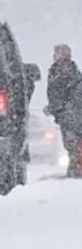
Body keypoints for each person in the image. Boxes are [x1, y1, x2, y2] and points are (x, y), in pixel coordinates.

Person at [45, 43, 82, 177]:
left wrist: (60, 107)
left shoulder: (69, 72)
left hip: (72, 115)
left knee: (73, 143)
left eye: (57, 53)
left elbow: (71, 94)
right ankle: (75, 167)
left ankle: (76, 168)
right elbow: (55, 93)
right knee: (70, 143)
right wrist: (53, 107)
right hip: (64, 115)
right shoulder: (54, 71)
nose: (54, 56)